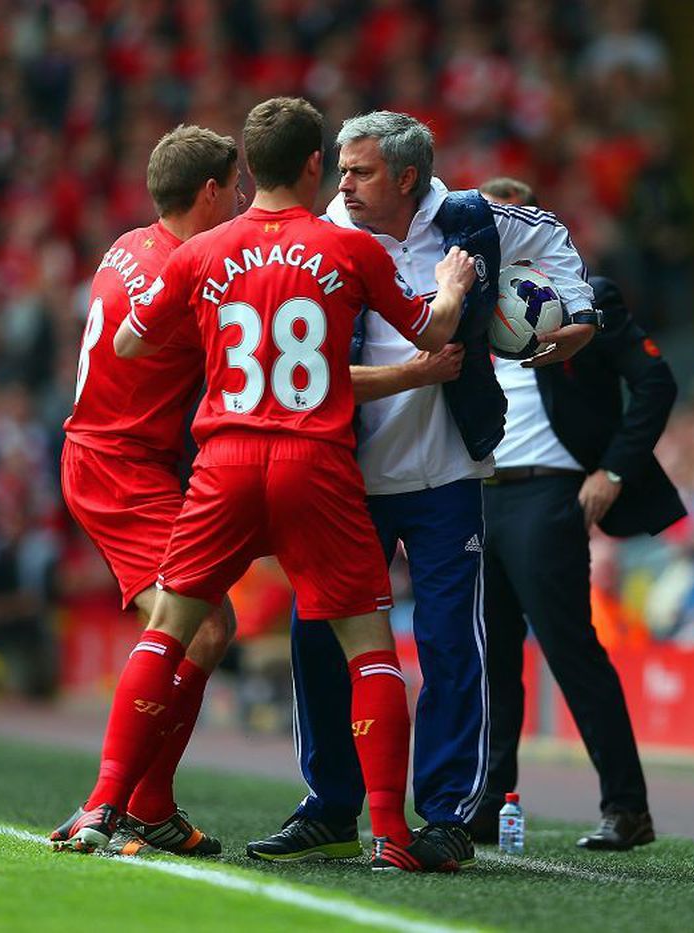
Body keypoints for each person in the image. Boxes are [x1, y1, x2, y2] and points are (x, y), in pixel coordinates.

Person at [57, 97, 479, 873]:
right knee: (367, 647)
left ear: (249, 172)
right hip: (314, 464)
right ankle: (389, 832)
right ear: (315, 165)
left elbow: (124, 337)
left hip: (220, 464)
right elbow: (432, 330)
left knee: (173, 629)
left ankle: (104, 804)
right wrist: (451, 285)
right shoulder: (348, 248)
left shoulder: (194, 252)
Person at [248, 111, 600, 865]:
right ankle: (331, 803)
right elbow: (309, 375)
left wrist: (580, 314)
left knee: (448, 644)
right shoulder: (319, 238)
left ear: (407, 178)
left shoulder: (473, 216)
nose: (342, 184)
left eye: (360, 171)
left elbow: (555, 238)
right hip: (343, 476)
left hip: (447, 473)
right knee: (318, 639)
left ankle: (443, 813)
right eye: (340, 169)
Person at [470, 176, 686, 849]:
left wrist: (613, 470)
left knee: (569, 651)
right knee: (491, 661)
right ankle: (486, 805)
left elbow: (655, 380)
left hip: (547, 493)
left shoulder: (583, 297)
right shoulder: (462, 303)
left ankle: (626, 807)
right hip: (477, 494)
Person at [51, 125, 243, 857]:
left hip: (110, 454)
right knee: (201, 626)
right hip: (119, 465)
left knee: (205, 624)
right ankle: (118, 803)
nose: (245, 200)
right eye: (236, 188)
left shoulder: (130, 243)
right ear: (209, 193)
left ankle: (146, 802)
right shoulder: (190, 270)